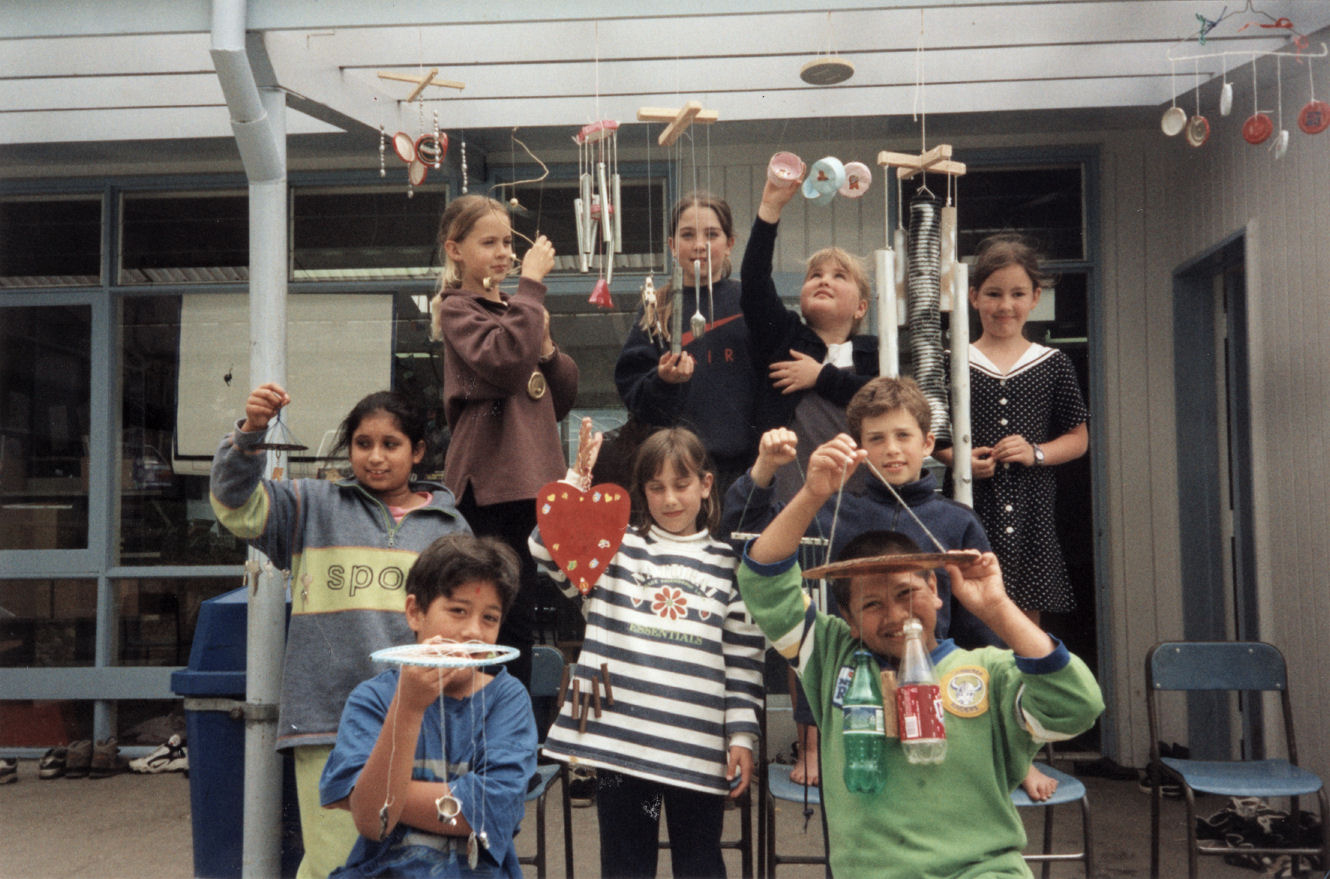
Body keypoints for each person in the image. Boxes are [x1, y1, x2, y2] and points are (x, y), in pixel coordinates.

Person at [738, 434, 1104, 879]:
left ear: (934, 592)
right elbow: (763, 582)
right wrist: (814, 492)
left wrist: (997, 608)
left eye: (907, 593)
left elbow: (1078, 707)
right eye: (871, 605)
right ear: (849, 619)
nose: (894, 615)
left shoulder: (988, 671)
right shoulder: (832, 656)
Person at [211, 384, 471, 879]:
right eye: (362, 443)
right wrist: (250, 433)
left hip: (420, 721)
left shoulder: (449, 530)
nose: (375, 457)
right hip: (325, 718)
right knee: (338, 861)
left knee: (416, 859)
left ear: (417, 452)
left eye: (391, 444)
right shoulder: (311, 506)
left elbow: (469, 622)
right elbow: (234, 504)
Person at [723, 376, 991, 786]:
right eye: (877, 438)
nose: (892, 449)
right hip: (850, 688)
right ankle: (811, 749)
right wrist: (764, 469)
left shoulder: (957, 521)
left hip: (935, 683)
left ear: (927, 442)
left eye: (904, 435)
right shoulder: (833, 510)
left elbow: (982, 628)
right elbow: (749, 534)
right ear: (860, 449)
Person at [530, 426, 765, 879]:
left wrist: (741, 737)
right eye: (656, 488)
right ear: (643, 492)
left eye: (681, 485)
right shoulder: (613, 549)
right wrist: (577, 480)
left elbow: (742, 660)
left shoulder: (729, 563)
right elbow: (544, 546)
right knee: (625, 865)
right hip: (620, 749)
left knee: (699, 864)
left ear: (706, 484)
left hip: (697, 750)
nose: (670, 499)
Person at [320, 534, 537, 879]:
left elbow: (489, 810)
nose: (473, 631)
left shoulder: (507, 699)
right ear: (415, 613)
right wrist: (408, 707)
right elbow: (372, 825)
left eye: (490, 618)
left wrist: (378, 798)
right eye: (457, 611)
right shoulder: (373, 699)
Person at [431, 194, 579, 689]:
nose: (503, 253)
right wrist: (532, 288)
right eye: (487, 242)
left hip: (531, 480)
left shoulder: (519, 311)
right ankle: (487, 726)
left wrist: (549, 347)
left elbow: (559, 397)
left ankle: (512, 729)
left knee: (519, 616)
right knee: (491, 612)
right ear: (455, 249)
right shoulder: (456, 308)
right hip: (491, 483)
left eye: (507, 243)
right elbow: (505, 363)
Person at [934, 233, 1089, 629]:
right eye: (993, 294)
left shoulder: (1053, 363)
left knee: (1024, 620)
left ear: (1035, 298)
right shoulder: (953, 362)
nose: (1006, 306)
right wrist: (960, 461)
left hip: (1030, 511)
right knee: (965, 611)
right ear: (973, 297)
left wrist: (1035, 452)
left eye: (1018, 294)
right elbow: (933, 438)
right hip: (970, 507)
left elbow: (1078, 438)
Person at [740, 168, 879, 505]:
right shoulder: (784, 338)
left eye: (838, 276)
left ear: (861, 308)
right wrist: (770, 209)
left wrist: (820, 377)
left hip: (858, 499)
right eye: (815, 275)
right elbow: (755, 282)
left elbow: (885, 399)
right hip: (787, 498)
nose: (823, 280)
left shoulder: (874, 352)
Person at [613, 191, 760, 494]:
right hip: (674, 475)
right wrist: (663, 381)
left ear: (730, 244)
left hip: (743, 472)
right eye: (687, 235)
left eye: (712, 234)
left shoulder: (751, 302)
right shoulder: (656, 307)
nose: (698, 245)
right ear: (671, 246)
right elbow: (634, 395)